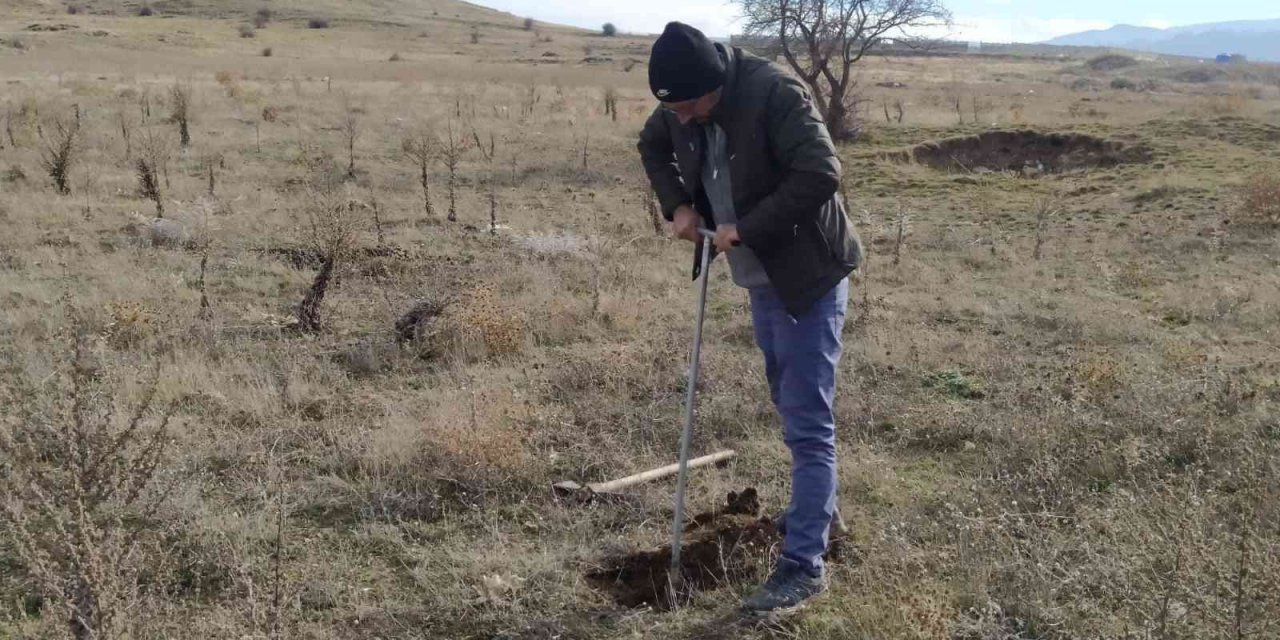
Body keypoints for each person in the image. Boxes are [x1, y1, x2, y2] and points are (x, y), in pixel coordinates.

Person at [637, 22, 863, 615]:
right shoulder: (681, 108)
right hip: (762, 280)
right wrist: (678, 204)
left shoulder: (774, 94)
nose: (681, 118)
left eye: (688, 106)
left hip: (807, 275)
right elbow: (652, 144)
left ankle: (804, 566)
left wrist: (750, 225)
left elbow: (821, 171)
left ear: (714, 86)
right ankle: (823, 518)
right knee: (786, 401)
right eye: (673, 108)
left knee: (808, 422)